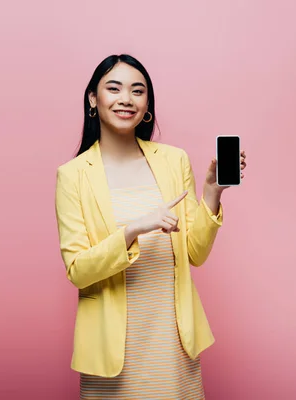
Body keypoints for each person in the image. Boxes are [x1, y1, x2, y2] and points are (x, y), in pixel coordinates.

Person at [54, 54, 247, 399]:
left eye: (137, 91)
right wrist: (131, 230)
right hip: (111, 348)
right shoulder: (73, 176)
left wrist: (212, 193)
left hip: (172, 341)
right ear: (93, 100)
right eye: (113, 88)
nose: (126, 98)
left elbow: (195, 253)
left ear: (147, 106)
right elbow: (77, 270)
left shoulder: (174, 160)